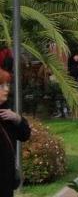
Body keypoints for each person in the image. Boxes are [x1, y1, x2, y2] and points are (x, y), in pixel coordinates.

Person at [0, 69, 30, 197]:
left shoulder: (7, 113)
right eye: (2, 86)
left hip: (7, 180)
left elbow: (25, 135)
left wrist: (17, 119)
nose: (7, 89)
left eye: (8, 85)